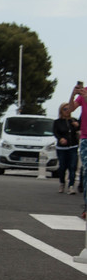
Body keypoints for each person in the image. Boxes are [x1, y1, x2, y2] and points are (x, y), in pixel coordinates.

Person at [68, 81, 87, 217]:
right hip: (85, 138)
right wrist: (73, 95)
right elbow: (69, 110)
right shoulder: (84, 91)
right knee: (86, 170)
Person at [53, 102, 79, 194]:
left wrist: (77, 126)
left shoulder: (73, 120)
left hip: (73, 147)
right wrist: (60, 139)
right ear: (61, 111)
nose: (67, 111)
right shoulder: (57, 122)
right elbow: (55, 133)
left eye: (68, 109)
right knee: (62, 167)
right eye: (65, 109)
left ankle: (71, 186)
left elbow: (79, 131)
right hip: (62, 149)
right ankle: (62, 183)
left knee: (72, 167)